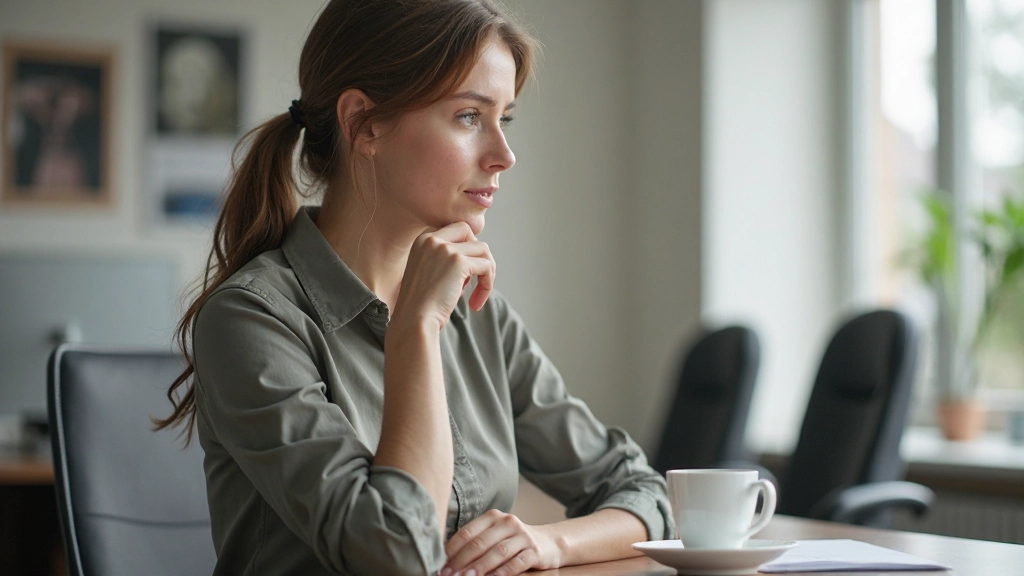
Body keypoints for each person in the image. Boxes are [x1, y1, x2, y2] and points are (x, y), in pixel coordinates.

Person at [155, 1, 673, 575]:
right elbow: (396, 556)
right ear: (364, 123)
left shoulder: (482, 319)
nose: (504, 155)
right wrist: (416, 329)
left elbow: (640, 491)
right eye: (470, 117)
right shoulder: (251, 321)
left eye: (507, 119)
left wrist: (550, 544)